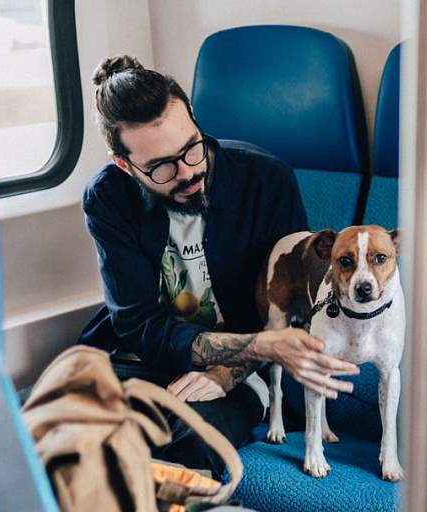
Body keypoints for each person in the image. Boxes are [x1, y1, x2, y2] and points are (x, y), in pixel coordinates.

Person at [78, 55, 358, 478]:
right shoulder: (108, 198)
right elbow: (138, 323)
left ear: (194, 120)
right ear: (125, 165)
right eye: (161, 167)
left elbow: (296, 308)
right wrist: (259, 346)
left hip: (240, 371)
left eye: (191, 147)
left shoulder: (267, 180)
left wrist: (231, 370)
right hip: (142, 356)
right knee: (49, 419)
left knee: (191, 442)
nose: (189, 172)